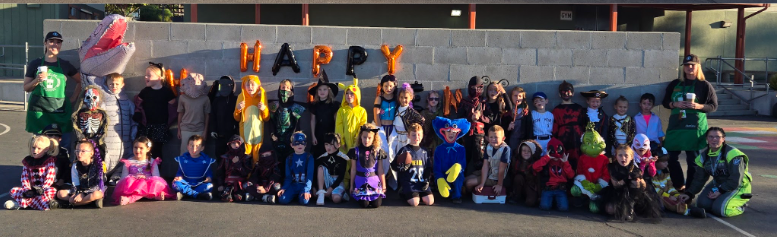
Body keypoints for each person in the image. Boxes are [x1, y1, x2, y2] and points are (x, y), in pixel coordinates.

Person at [663, 54, 718, 190]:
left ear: (698, 66)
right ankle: (679, 185)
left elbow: (713, 106)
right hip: (676, 126)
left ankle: (690, 190)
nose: (689, 67)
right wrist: (675, 104)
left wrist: (698, 106)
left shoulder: (704, 85)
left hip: (694, 127)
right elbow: (665, 102)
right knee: (670, 157)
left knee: (693, 160)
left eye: (692, 65)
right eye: (687, 65)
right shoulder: (675, 84)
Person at [23, 31, 81, 150]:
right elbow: (26, 88)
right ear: (45, 43)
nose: (55, 45)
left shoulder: (65, 65)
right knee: (40, 148)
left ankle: (60, 168)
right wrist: (36, 80)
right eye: (51, 41)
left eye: (58, 42)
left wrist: (74, 97)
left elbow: (80, 81)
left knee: (63, 147)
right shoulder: (35, 64)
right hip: (40, 112)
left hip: (60, 111)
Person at [679, 127, 752, 218]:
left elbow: (736, 178)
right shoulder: (704, 156)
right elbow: (699, 178)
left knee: (722, 210)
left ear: (723, 139)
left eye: (717, 137)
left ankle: (741, 206)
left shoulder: (733, 154)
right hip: (718, 184)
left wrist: (720, 191)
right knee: (702, 204)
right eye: (711, 137)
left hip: (738, 185)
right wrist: (689, 193)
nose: (714, 139)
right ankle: (722, 200)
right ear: (707, 139)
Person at [380, 83, 425, 190]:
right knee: (392, 157)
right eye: (401, 97)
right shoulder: (396, 108)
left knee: (405, 161)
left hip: (405, 138)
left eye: (406, 98)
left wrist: (414, 129)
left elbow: (422, 120)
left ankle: (405, 183)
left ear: (410, 98)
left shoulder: (411, 112)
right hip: (395, 136)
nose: (403, 100)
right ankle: (394, 183)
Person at [134, 62, 177, 176]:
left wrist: (167, 123)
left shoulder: (166, 92)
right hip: (147, 126)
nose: (145, 77)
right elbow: (138, 103)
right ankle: (144, 174)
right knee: (145, 150)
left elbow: (173, 109)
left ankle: (156, 174)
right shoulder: (145, 91)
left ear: (159, 78)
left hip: (160, 126)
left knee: (157, 151)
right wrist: (138, 113)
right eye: (145, 75)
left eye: (149, 75)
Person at [602, 145, 662, 222]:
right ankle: (623, 210)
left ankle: (630, 208)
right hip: (617, 193)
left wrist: (639, 180)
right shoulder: (613, 167)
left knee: (636, 182)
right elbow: (616, 185)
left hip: (633, 196)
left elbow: (643, 186)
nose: (623, 158)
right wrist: (626, 178)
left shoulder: (635, 168)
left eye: (626, 156)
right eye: (620, 155)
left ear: (631, 157)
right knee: (609, 210)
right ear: (616, 156)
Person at [113, 136, 173, 205]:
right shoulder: (128, 162)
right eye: (135, 147)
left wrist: (146, 178)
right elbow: (124, 177)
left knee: (154, 182)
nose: (137, 150)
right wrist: (134, 177)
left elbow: (156, 177)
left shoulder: (152, 161)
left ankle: (129, 199)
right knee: (129, 181)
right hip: (133, 186)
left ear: (148, 149)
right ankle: (154, 197)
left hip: (147, 185)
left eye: (141, 148)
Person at [100, 73, 137, 185]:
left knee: (125, 157)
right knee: (108, 156)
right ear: (106, 84)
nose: (114, 86)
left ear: (122, 85)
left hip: (125, 137)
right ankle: (102, 177)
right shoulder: (104, 100)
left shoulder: (127, 101)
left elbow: (134, 118)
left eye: (117, 84)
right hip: (110, 137)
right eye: (111, 84)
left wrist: (133, 133)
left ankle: (117, 176)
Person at [5, 136, 60, 210]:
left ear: (46, 149)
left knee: (51, 191)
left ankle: (23, 204)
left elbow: (50, 177)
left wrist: (42, 189)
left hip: (44, 189)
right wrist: (28, 190)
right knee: (13, 190)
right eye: (33, 147)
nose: (35, 150)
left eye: (39, 149)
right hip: (31, 190)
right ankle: (38, 203)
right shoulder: (28, 161)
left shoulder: (49, 161)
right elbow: (25, 177)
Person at [652, 147, 707, 218]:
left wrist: (676, 195)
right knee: (666, 200)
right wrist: (669, 196)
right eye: (663, 162)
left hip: (666, 194)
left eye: (667, 161)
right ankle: (688, 211)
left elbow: (670, 187)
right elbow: (654, 190)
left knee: (681, 197)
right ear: (655, 162)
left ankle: (685, 205)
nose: (666, 163)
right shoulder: (650, 174)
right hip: (657, 196)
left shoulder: (665, 172)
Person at [336, 79, 368, 194]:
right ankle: (344, 186)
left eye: (352, 93)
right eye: (347, 93)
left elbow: (362, 126)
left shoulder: (362, 111)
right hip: (344, 144)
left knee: (356, 163)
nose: (349, 96)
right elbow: (339, 127)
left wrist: (358, 140)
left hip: (356, 143)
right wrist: (341, 140)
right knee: (345, 163)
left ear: (357, 95)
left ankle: (356, 185)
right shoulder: (342, 111)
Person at [391, 123, 434, 207]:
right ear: (408, 136)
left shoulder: (425, 151)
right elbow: (393, 165)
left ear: (422, 136)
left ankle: (418, 194)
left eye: (419, 135)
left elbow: (428, 167)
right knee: (414, 203)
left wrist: (427, 180)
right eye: (413, 135)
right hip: (409, 183)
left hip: (421, 182)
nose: (416, 137)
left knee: (430, 202)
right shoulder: (404, 150)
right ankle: (404, 192)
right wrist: (401, 168)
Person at [572, 122, 610, 213]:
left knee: (594, 209)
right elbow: (580, 172)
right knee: (574, 190)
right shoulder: (582, 158)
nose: (592, 146)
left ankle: (595, 200)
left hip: (598, 185)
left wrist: (599, 185)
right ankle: (583, 199)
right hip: (586, 184)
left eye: (595, 142)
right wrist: (584, 182)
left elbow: (606, 174)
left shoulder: (604, 159)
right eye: (588, 143)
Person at [465, 125, 511, 198]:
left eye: (496, 137)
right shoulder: (489, 146)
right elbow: (485, 166)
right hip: (489, 172)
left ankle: (469, 195)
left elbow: (502, 169)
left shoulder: (505, 149)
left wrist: (499, 185)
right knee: (466, 179)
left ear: (503, 138)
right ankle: (476, 188)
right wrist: (482, 183)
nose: (493, 139)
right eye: (491, 137)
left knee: (469, 183)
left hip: (496, 178)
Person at [56, 139, 105, 208]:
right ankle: (87, 202)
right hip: (81, 189)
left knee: (96, 194)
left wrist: (84, 194)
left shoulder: (99, 165)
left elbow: (98, 185)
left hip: (94, 190)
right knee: (60, 193)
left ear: (91, 153)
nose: (79, 154)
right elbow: (75, 183)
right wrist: (75, 193)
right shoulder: (75, 165)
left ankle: (72, 204)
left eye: (83, 151)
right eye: (77, 151)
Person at [269, 79, 306, 170]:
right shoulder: (274, 105)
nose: (285, 90)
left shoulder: (295, 107)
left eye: (287, 88)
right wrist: (272, 134)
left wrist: (294, 136)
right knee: (277, 159)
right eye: (283, 87)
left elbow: (298, 124)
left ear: (291, 90)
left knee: (290, 160)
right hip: (277, 137)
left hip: (289, 137)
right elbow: (271, 121)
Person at [432, 117, 470, 204]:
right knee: (445, 193)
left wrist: (458, 167)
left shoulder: (461, 149)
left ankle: (457, 195)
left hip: (456, 175)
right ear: (443, 132)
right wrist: (439, 178)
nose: (451, 133)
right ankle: (447, 189)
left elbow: (463, 164)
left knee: (459, 176)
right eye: (448, 131)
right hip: (443, 175)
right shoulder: (439, 149)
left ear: (457, 133)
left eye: (453, 131)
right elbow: (436, 167)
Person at [349, 123, 387, 208]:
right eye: (364, 137)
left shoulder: (378, 151)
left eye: (369, 138)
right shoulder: (355, 151)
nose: (366, 140)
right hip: (360, 181)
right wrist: (351, 185)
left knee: (376, 204)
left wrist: (383, 185)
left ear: (374, 138)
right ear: (360, 137)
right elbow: (353, 169)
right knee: (364, 204)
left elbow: (380, 170)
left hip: (374, 182)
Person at [234, 75, 269, 162]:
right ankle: (247, 175)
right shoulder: (241, 97)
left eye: (253, 84)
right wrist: (238, 109)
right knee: (246, 156)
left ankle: (256, 174)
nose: (250, 87)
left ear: (258, 86)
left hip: (258, 133)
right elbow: (236, 118)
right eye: (248, 85)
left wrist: (264, 109)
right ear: (243, 86)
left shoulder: (261, 98)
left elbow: (266, 118)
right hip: (245, 135)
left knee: (257, 156)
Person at [532, 138, 574, 211]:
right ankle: (549, 201)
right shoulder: (546, 161)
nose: (556, 158)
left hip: (560, 189)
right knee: (545, 207)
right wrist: (547, 158)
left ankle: (555, 201)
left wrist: (565, 162)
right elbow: (535, 167)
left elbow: (571, 175)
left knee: (564, 208)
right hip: (548, 189)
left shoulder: (564, 162)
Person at [552, 81, 586, 169]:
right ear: (560, 94)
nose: (566, 93)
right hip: (563, 137)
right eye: (563, 91)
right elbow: (555, 127)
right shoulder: (556, 110)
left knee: (578, 159)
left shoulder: (579, 108)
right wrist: (555, 141)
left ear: (573, 93)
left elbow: (583, 124)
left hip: (577, 136)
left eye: (569, 91)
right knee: (564, 158)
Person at [173, 135, 216, 200]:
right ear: (188, 147)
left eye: (197, 146)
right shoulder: (182, 159)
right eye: (191, 146)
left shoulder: (206, 160)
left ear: (202, 148)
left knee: (209, 186)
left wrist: (209, 177)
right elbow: (180, 171)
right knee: (175, 184)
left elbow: (208, 172)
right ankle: (197, 195)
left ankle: (185, 194)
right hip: (186, 183)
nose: (194, 149)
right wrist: (178, 177)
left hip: (200, 183)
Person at [308, 70, 340, 158]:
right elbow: (312, 120)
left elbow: (336, 120)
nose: (322, 91)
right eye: (320, 89)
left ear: (329, 91)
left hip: (330, 132)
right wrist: (313, 136)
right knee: (318, 155)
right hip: (319, 132)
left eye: (325, 89)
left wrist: (336, 136)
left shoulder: (334, 105)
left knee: (330, 155)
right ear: (317, 92)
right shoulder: (314, 105)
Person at [177, 72, 211, 154]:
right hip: (186, 128)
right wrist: (179, 129)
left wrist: (205, 131)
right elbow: (180, 113)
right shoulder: (182, 97)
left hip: (200, 129)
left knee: (199, 153)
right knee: (184, 152)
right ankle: (183, 167)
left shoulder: (205, 98)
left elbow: (207, 115)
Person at [277, 132, 315, 205]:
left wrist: (306, 190)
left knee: (304, 201)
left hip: (304, 185)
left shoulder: (309, 157)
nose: (300, 145)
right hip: (293, 185)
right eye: (296, 143)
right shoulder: (289, 158)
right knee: (282, 199)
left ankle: (301, 195)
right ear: (292, 145)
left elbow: (310, 176)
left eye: (302, 142)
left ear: (305, 144)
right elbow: (288, 177)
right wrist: (284, 188)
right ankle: (293, 195)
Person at [313, 133, 349, 206]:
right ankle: (321, 193)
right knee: (320, 168)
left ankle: (337, 194)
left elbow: (341, 176)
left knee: (336, 199)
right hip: (326, 181)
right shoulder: (322, 158)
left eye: (331, 144)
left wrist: (330, 189)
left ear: (338, 145)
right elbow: (315, 174)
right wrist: (314, 187)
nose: (328, 147)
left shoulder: (343, 158)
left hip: (337, 182)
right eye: (326, 144)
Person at [208, 75, 239, 159]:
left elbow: (240, 116)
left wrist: (238, 131)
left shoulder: (236, 99)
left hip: (233, 135)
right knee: (220, 156)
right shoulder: (217, 100)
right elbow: (213, 116)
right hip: (219, 135)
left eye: (228, 85)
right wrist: (213, 130)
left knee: (233, 156)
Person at [216, 135, 252, 202]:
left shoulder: (246, 158)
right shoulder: (225, 157)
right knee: (226, 197)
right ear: (229, 145)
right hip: (228, 183)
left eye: (237, 143)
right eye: (233, 143)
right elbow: (220, 172)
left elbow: (246, 173)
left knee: (238, 197)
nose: (235, 145)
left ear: (241, 144)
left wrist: (237, 163)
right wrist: (220, 184)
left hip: (240, 183)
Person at [509, 140, 541, 206]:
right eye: (524, 151)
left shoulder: (536, 163)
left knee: (530, 203)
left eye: (529, 151)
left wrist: (539, 195)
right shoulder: (516, 161)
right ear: (520, 151)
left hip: (531, 185)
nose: (526, 153)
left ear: (533, 152)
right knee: (518, 178)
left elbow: (539, 180)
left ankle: (529, 197)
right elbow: (512, 175)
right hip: (520, 184)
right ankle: (517, 196)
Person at [41, 124, 72, 191]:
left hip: (58, 183)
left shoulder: (63, 152)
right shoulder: (39, 151)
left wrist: (62, 180)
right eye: (50, 135)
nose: (53, 137)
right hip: (41, 182)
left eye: (57, 135)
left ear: (60, 138)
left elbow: (67, 169)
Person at [503, 86, 529, 158]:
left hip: (522, 141)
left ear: (523, 97)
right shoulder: (507, 113)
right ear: (511, 97)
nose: (517, 98)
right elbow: (502, 129)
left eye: (520, 96)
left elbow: (529, 128)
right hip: (510, 141)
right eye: (515, 95)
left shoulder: (526, 113)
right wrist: (508, 128)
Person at [525, 92, 554, 156]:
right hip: (537, 140)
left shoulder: (550, 115)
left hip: (548, 139)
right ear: (534, 103)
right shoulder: (532, 114)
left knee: (548, 157)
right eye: (536, 101)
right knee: (538, 158)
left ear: (546, 101)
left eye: (541, 100)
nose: (539, 102)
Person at [420, 90, 444, 158]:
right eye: (431, 98)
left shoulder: (440, 114)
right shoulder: (423, 113)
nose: (433, 101)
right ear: (428, 99)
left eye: (436, 99)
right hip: (426, 140)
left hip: (438, 140)